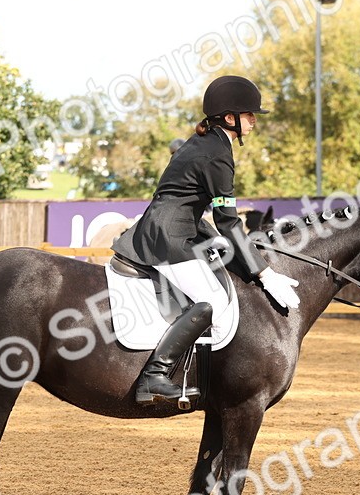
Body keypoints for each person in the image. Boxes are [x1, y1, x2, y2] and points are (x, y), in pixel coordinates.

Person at [113, 75, 300, 405]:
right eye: (249, 115)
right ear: (230, 118)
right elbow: (228, 222)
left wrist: (212, 237)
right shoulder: (217, 155)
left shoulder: (206, 143)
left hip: (173, 228)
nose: (254, 120)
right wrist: (264, 274)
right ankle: (153, 376)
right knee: (211, 299)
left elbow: (196, 206)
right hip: (167, 237)